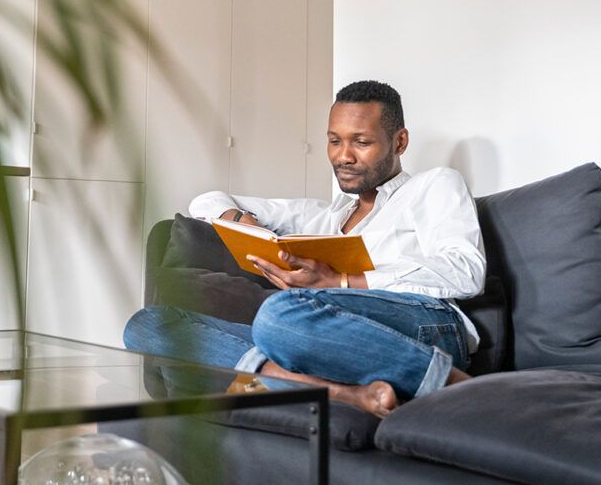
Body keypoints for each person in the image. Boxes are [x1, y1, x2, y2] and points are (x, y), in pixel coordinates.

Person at [124, 80, 486, 417]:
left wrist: (340, 281)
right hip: (327, 335)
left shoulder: (434, 186)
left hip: (426, 325)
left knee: (277, 315)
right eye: (334, 141)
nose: (343, 156)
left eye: (361, 142)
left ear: (400, 142)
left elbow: (465, 271)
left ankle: (456, 387)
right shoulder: (324, 216)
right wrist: (247, 225)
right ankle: (338, 393)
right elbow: (206, 201)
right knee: (148, 325)